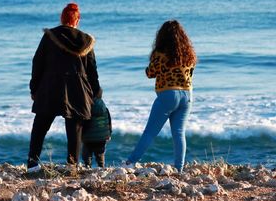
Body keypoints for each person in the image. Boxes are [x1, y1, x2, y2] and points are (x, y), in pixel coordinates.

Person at [27, 3, 101, 173]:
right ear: (78, 19)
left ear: (62, 18)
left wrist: (34, 88)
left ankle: (32, 163)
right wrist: (96, 93)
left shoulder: (50, 36)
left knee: (40, 126)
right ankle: (72, 165)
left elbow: (37, 63)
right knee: (74, 128)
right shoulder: (87, 41)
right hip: (77, 88)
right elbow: (92, 71)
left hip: (50, 86)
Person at [126, 20, 197, 173]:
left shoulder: (161, 54)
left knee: (150, 132)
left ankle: (130, 162)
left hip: (168, 94)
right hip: (187, 95)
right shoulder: (188, 54)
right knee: (179, 133)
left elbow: (150, 73)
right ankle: (179, 168)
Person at [81, 92, 112, 168]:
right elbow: (109, 122)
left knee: (87, 154)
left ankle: (87, 167)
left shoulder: (86, 107)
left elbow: (85, 124)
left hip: (88, 138)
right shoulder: (105, 109)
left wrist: (81, 135)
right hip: (102, 138)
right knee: (100, 154)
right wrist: (109, 134)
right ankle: (101, 167)